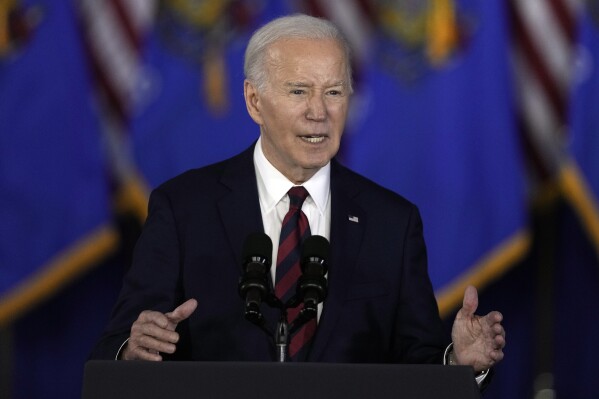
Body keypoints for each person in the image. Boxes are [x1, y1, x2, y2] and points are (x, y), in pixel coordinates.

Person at [90, 14, 505, 382]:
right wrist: (133, 348)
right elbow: (116, 347)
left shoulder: (392, 223)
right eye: (298, 91)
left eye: (334, 93)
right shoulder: (183, 210)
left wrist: (457, 363)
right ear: (254, 101)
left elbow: (417, 366)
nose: (318, 113)